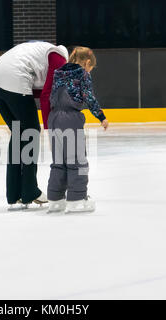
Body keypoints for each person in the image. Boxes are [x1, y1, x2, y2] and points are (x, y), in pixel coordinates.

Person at [0, 41, 69, 209]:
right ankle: (30, 190)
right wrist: (49, 127)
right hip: (14, 79)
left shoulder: (43, 53)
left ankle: (14, 193)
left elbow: (39, 91)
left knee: (19, 133)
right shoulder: (60, 60)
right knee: (31, 131)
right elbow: (46, 95)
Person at [47, 47, 109, 213]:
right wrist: (101, 116)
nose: (90, 71)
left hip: (53, 118)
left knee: (58, 161)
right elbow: (89, 97)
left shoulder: (58, 72)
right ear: (87, 63)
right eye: (91, 67)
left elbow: (50, 95)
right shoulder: (83, 74)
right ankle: (77, 199)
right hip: (70, 119)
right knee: (77, 160)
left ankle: (55, 199)